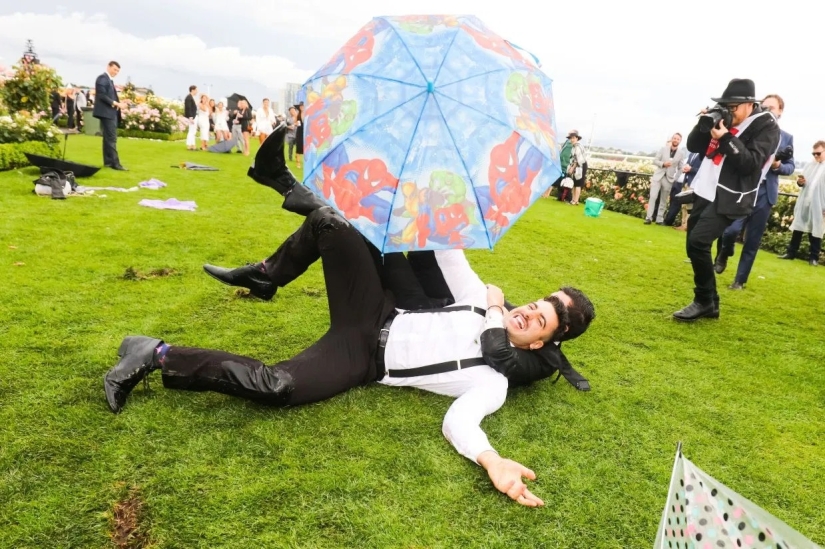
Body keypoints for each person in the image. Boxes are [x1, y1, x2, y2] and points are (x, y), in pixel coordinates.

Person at [103, 128, 595, 507]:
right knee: (332, 222)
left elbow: (459, 423)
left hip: (361, 356)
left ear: (542, 344)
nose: (530, 311)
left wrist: (491, 459)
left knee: (278, 388)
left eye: (542, 320)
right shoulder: (475, 296)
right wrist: (436, 176)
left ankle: (154, 352)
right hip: (374, 308)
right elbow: (446, 247)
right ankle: (268, 275)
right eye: (536, 304)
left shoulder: (495, 381)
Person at [673, 79, 780, 321]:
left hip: (731, 196)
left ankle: (703, 300)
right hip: (704, 189)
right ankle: (712, 303)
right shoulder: (722, 118)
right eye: (726, 107)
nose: (729, 112)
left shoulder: (767, 126)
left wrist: (725, 138)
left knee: (699, 242)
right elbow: (694, 145)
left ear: (749, 105)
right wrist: (703, 123)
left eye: (733, 108)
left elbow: (750, 165)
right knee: (693, 244)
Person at [713, 95, 796, 287]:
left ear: (780, 111)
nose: (767, 109)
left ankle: (739, 281)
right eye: (764, 106)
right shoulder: (750, 128)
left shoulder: (786, 137)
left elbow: (789, 167)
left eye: (772, 107)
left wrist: (777, 165)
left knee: (752, 239)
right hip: (743, 189)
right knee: (730, 230)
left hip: (765, 193)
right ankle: (724, 252)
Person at [777, 140, 825, 266]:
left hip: (820, 204)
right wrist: (800, 182)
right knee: (798, 227)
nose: (815, 156)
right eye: (813, 154)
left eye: (818, 153)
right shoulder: (810, 165)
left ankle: (813, 257)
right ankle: (791, 252)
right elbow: (801, 183)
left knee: (816, 230)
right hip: (805, 201)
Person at [92, 61, 127, 171]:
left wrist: (119, 102)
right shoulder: (102, 78)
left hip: (109, 112)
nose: (116, 72)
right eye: (115, 69)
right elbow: (102, 95)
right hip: (107, 113)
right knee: (112, 138)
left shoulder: (109, 80)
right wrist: (117, 104)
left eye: (117, 71)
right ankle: (115, 164)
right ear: (108, 67)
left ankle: (108, 162)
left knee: (108, 138)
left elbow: (109, 96)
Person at [645, 134, 687, 225]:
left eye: (678, 139)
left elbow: (681, 167)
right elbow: (655, 160)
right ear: (672, 139)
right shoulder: (663, 149)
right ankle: (648, 218)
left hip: (669, 179)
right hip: (658, 176)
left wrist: (675, 178)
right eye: (674, 138)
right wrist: (663, 164)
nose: (676, 140)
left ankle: (659, 219)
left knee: (663, 200)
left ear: (680, 141)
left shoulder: (681, 153)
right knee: (653, 196)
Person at [566, 130, 586, 205]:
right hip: (576, 165)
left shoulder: (578, 146)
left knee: (578, 183)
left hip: (580, 165)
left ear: (577, 138)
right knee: (575, 183)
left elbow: (578, 159)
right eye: (571, 138)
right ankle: (573, 200)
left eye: (573, 138)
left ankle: (576, 200)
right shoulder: (574, 146)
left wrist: (572, 167)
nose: (572, 139)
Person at [184, 85, 198, 151]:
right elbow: (188, 108)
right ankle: (189, 145)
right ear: (192, 90)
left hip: (193, 116)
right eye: (196, 90)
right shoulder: (188, 98)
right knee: (191, 131)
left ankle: (192, 145)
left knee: (193, 131)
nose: (197, 91)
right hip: (191, 117)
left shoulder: (191, 97)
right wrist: (190, 117)